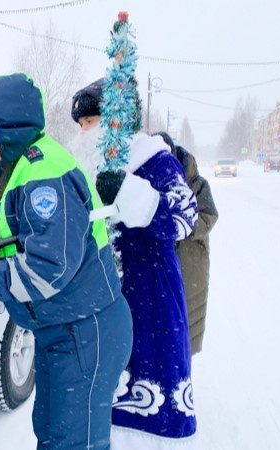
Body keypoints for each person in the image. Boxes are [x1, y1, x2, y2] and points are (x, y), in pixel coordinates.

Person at [0, 73, 133, 450]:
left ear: (3, 127)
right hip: (62, 327)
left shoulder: (45, 175)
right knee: (51, 432)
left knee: (74, 443)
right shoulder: (22, 166)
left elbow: (49, 267)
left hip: (85, 331)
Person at [70, 78, 199, 447]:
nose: (84, 132)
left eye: (90, 122)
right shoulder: (85, 166)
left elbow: (185, 215)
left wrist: (130, 194)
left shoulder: (155, 160)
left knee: (151, 387)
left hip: (151, 292)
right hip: (102, 293)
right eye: (81, 124)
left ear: (115, 121)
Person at [155, 132, 219, 356]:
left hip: (190, 261)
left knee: (188, 318)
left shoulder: (195, 183)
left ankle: (182, 367)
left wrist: (181, 225)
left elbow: (209, 215)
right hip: (160, 262)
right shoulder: (147, 180)